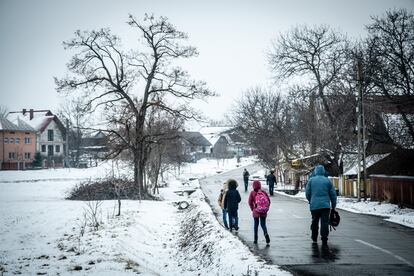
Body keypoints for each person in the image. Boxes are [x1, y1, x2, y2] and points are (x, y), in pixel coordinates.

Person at [305, 165, 337, 246]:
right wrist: (333, 206)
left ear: (315, 171)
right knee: (324, 222)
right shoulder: (327, 181)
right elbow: (333, 194)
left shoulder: (311, 180)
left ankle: (314, 237)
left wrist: (310, 200)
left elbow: (307, 193)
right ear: (323, 171)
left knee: (315, 221)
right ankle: (324, 238)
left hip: (314, 206)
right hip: (325, 206)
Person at [248, 180, 271, 244]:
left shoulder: (252, 193)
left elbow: (250, 202)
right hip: (263, 211)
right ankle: (266, 234)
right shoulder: (263, 192)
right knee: (263, 224)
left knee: (256, 225)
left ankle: (255, 239)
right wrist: (266, 208)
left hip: (256, 211)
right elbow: (269, 201)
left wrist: (253, 209)